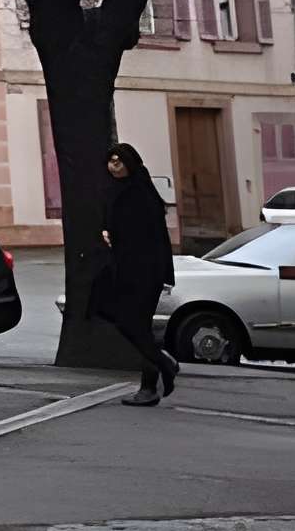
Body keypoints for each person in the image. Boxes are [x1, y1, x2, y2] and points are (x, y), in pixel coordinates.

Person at [92, 143, 179, 405]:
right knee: (128, 321)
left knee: (133, 324)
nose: (113, 166)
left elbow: (149, 234)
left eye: (118, 161)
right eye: (110, 161)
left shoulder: (140, 191)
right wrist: (107, 232)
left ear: (130, 163)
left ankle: (156, 375)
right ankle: (157, 373)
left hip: (144, 271)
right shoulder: (114, 189)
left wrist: (115, 236)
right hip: (125, 267)